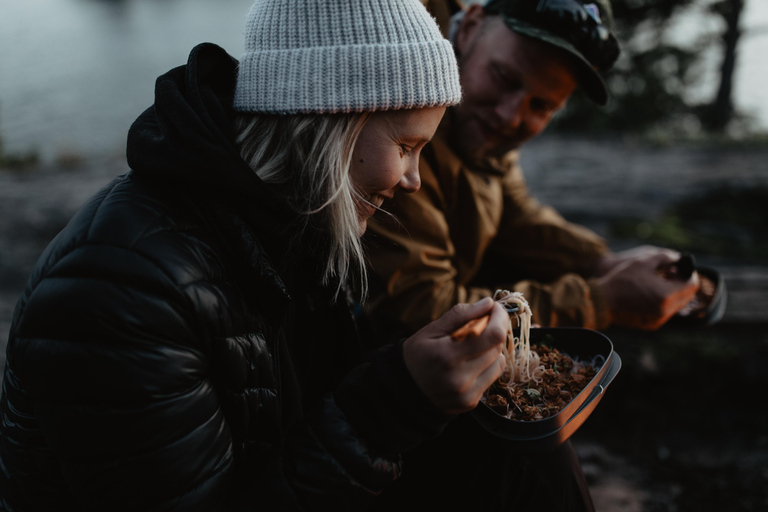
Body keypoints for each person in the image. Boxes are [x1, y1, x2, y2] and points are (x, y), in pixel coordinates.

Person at [0, 1, 516, 510]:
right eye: (406, 146)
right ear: (327, 124)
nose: (414, 180)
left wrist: (409, 371)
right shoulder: (123, 288)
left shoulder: (292, 222)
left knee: (513, 447)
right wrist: (395, 401)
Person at [364, 0, 701, 346]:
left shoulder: (475, 126)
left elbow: (514, 211)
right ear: (469, 28)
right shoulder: (402, 112)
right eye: (503, 78)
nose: (510, 116)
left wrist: (600, 263)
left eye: (541, 106)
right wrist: (601, 300)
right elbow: (419, 308)